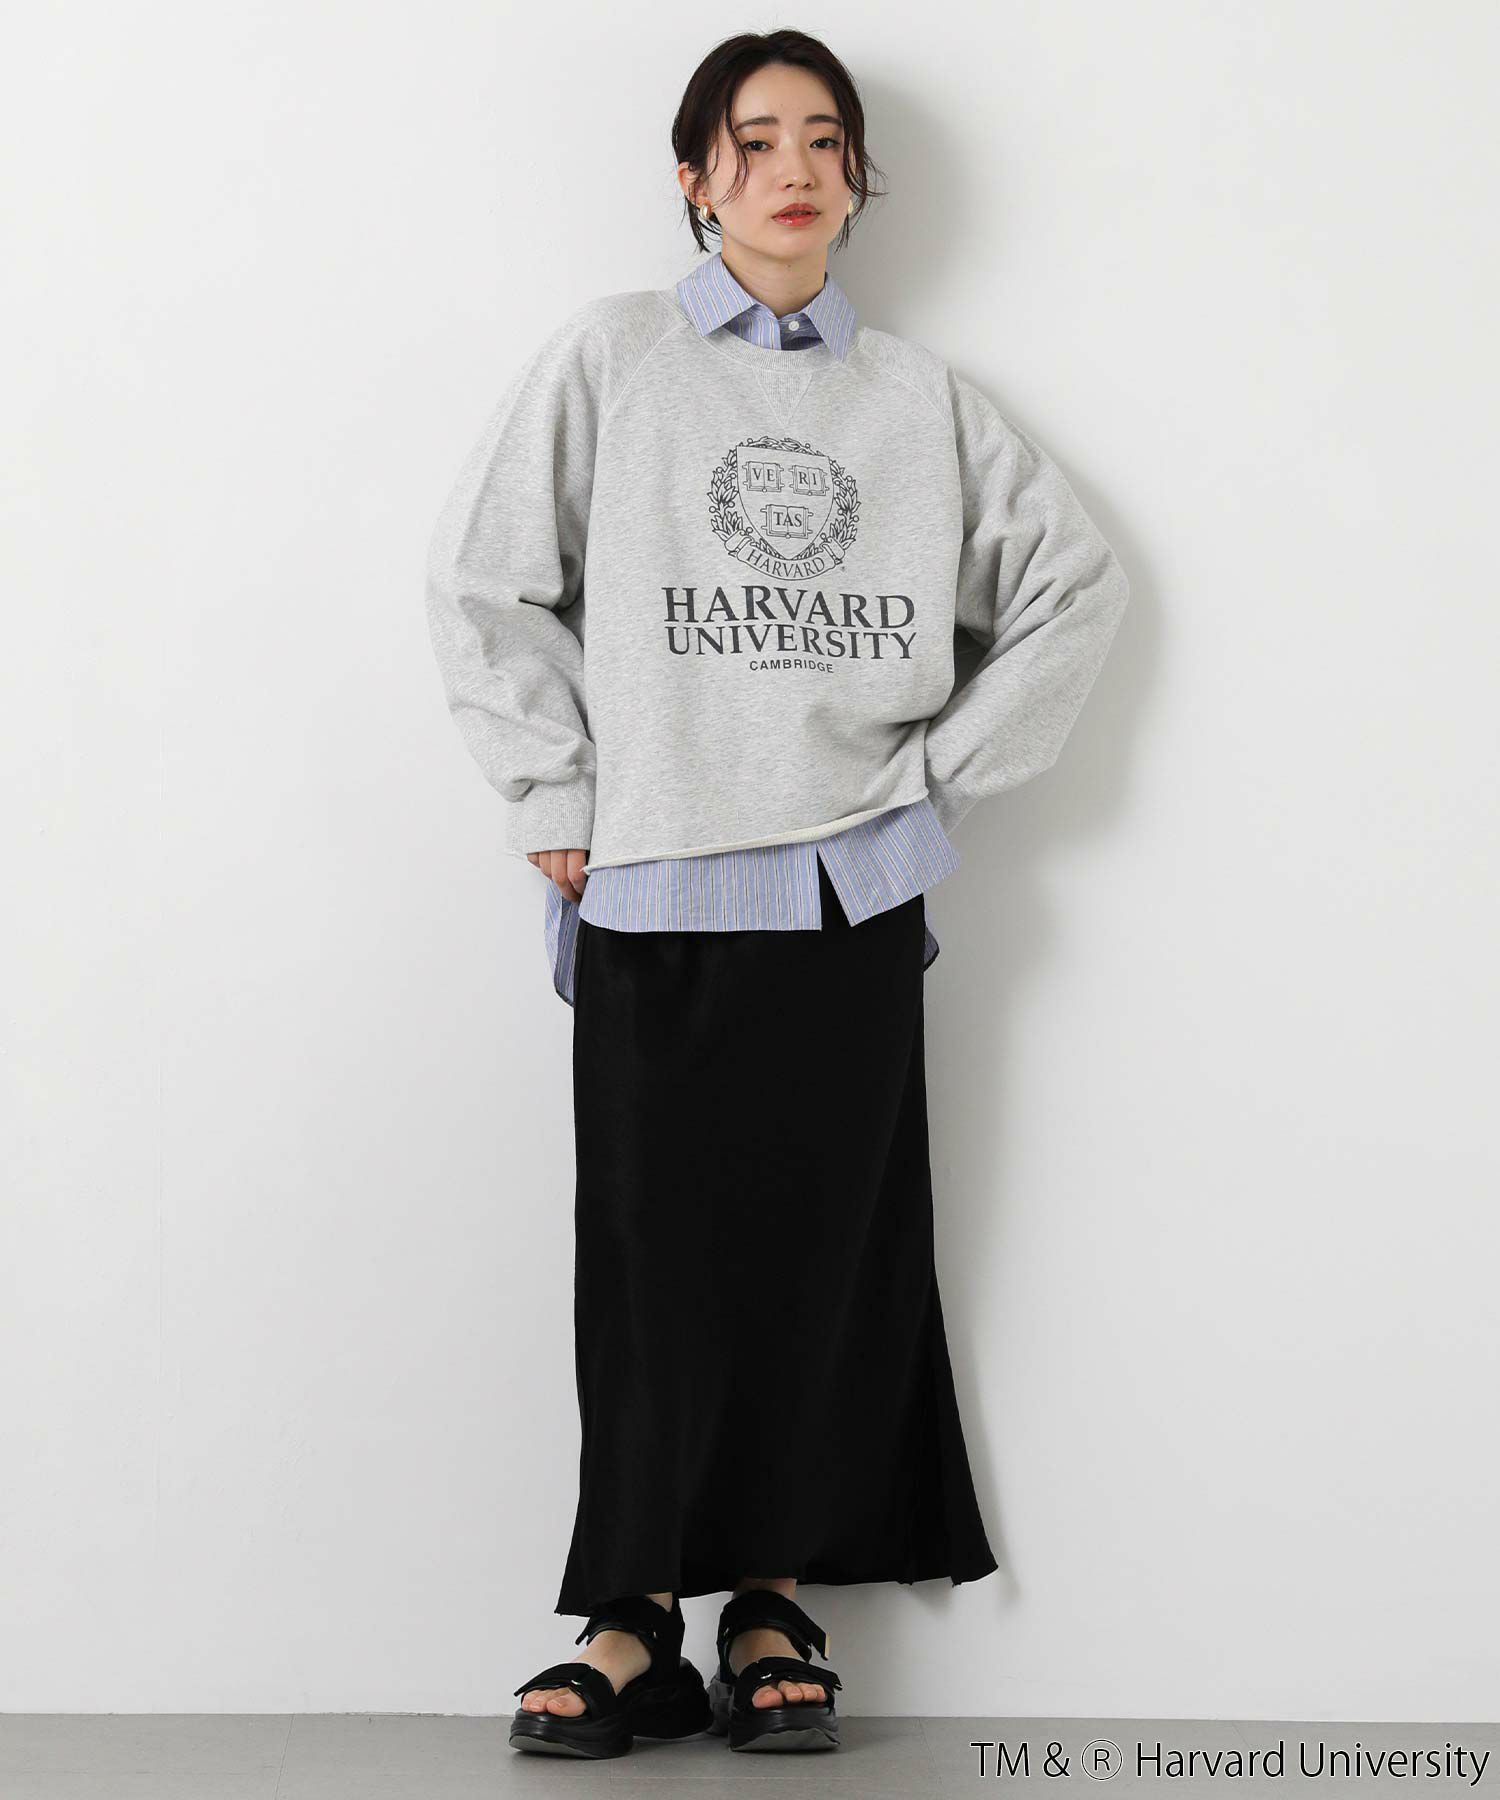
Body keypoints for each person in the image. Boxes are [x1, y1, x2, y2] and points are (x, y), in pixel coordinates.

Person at [424, 27, 1130, 1762]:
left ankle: (771, 1609)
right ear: (697, 178)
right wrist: (557, 792)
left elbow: (1077, 582)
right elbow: (485, 582)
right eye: (755, 142)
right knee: (649, 1271)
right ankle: (629, 1623)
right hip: (657, 885)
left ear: (859, 178)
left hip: (844, 899)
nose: (795, 170)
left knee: (823, 1267)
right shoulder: (612, 359)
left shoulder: (919, 400)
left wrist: (932, 785)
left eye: (826, 139)